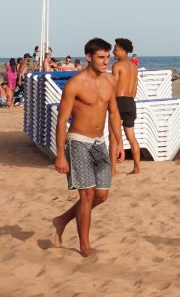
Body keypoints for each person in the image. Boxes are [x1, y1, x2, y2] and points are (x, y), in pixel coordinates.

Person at [51, 37, 123, 258]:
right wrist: (60, 155)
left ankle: (61, 220)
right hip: (78, 142)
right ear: (89, 57)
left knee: (101, 195)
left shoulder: (110, 81)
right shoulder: (75, 84)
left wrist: (119, 142)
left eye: (107, 57)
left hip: (99, 142)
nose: (105, 61)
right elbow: (62, 120)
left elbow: (114, 112)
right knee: (87, 196)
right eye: (101, 57)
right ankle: (84, 246)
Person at [112, 37, 142, 175]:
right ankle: (137, 168)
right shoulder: (134, 67)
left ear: (123, 51)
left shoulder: (117, 66)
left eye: (116, 49)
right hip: (131, 101)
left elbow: (113, 86)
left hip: (119, 100)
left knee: (113, 136)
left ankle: (113, 170)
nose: (113, 52)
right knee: (131, 137)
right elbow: (135, 88)